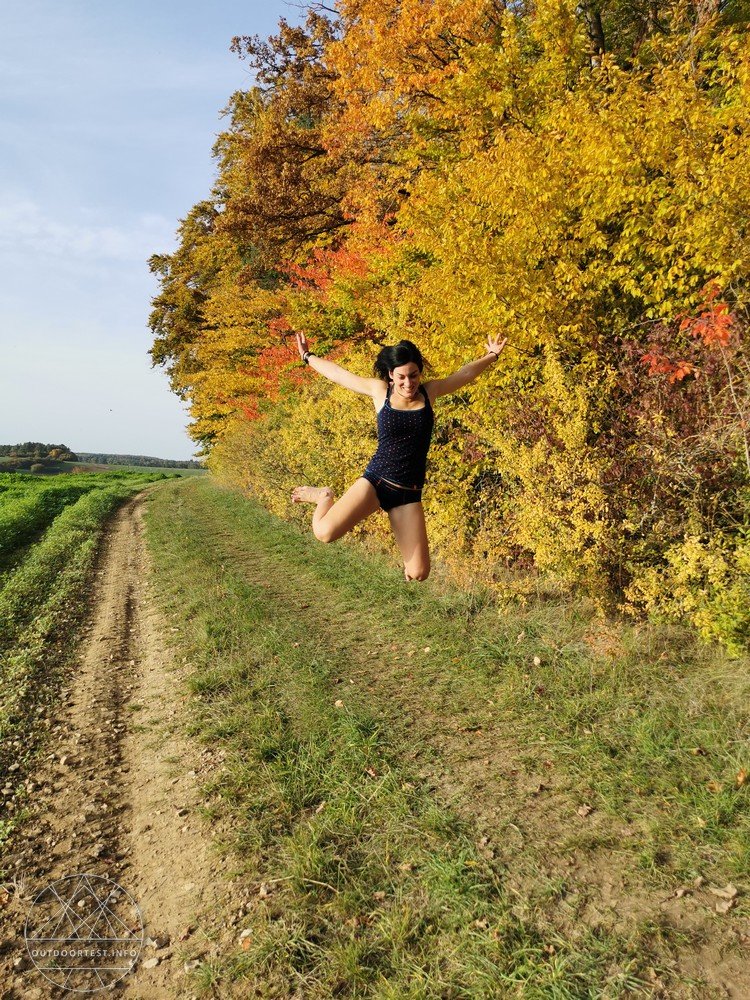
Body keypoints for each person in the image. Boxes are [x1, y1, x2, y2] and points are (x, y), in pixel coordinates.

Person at [291, 331, 507, 581]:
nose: (408, 383)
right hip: (376, 481)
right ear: (391, 375)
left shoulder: (430, 392)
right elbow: (340, 374)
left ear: (420, 372)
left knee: (419, 573)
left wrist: (491, 355)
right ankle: (323, 496)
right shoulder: (380, 392)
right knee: (324, 533)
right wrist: (308, 356)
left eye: (413, 375)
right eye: (401, 377)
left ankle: (406, 554)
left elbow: (465, 374)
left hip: (408, 493)